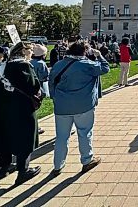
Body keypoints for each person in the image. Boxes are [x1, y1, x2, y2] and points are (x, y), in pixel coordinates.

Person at [48, 41, 110, 176]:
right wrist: (99, 55)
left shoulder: (58, 64)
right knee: (84, 133)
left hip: (62, 106)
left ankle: (58, 165)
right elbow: (105, 68)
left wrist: (55, 98)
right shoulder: (87, 64)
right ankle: (87, 160)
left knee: (61, 137)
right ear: (85, 51)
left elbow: (51, 83)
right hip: (84, 105)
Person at [0, 42, 42, 184]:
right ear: (23, 51)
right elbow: (33, 86)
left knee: (8, 135)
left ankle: (4, 168)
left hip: (6, 105)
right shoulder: (24, 65)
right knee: (26, 136)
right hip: (23, 106)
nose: (32, 52)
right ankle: (23, 170)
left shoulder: (4, 66)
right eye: (30, 50)